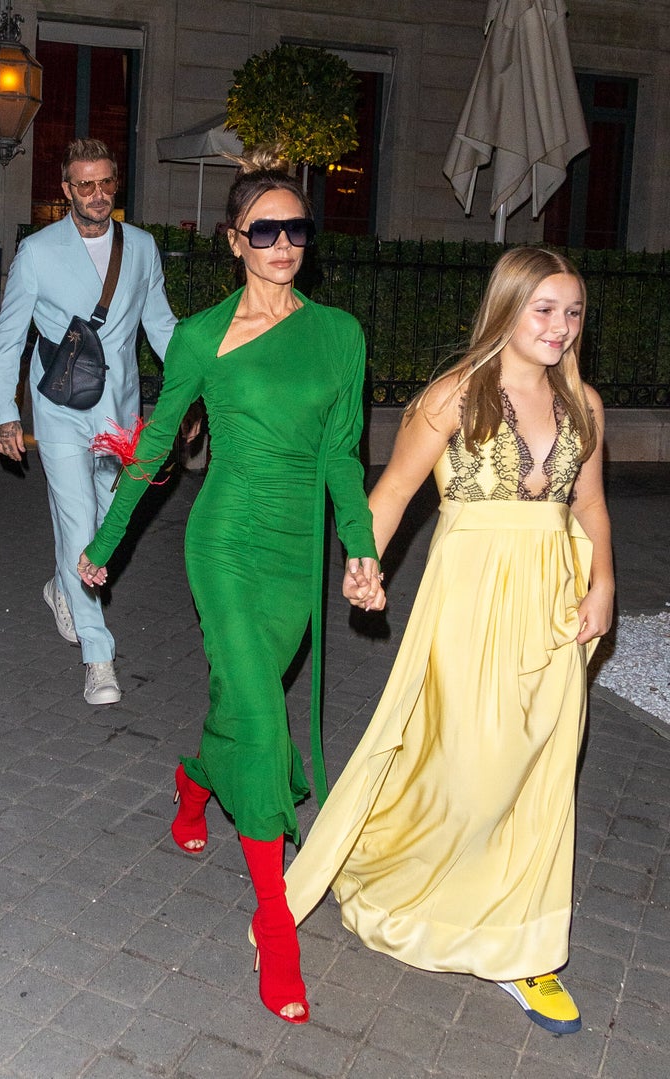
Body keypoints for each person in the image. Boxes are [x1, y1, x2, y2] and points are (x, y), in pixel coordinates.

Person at [77, 147, 385, 1023]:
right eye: (266, 229)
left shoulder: (340, 334)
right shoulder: (202, 336)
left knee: (244, 700)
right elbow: (158, 444)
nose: (284, 242)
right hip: (223, 541)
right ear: (235, 240)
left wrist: (359, 548)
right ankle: (275, 917)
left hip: (296, 554)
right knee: (260, 707)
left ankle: (194, 775)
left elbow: (340, 454)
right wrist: (102, 542)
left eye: (297, 228)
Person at [283, 246, 615, 1036]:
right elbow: (392, 491)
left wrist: (604, 584)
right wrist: (363, 562)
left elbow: (592, 506)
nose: (560, 327)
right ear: (506, 307)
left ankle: (518, 943)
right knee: (471, 763)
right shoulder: (455, 396)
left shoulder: (585, 404)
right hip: (469, 602)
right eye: (544, 309)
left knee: (541, 769)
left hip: (554, 603)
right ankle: (410, 871)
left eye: (572, 313)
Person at [0, 138, 178, 706]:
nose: (97, 195)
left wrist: (196, 386)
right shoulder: (39, 252)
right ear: (67, 190)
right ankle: (99, 656)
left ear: (115, 184)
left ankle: (60, 587)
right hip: (60, 409)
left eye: (106, 183)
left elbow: (162, 325)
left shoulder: (141, 248)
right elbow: (9, 339)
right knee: (79, 526)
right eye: (85, 185)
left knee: (103, 518)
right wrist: (5, 413)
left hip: (119, 412)